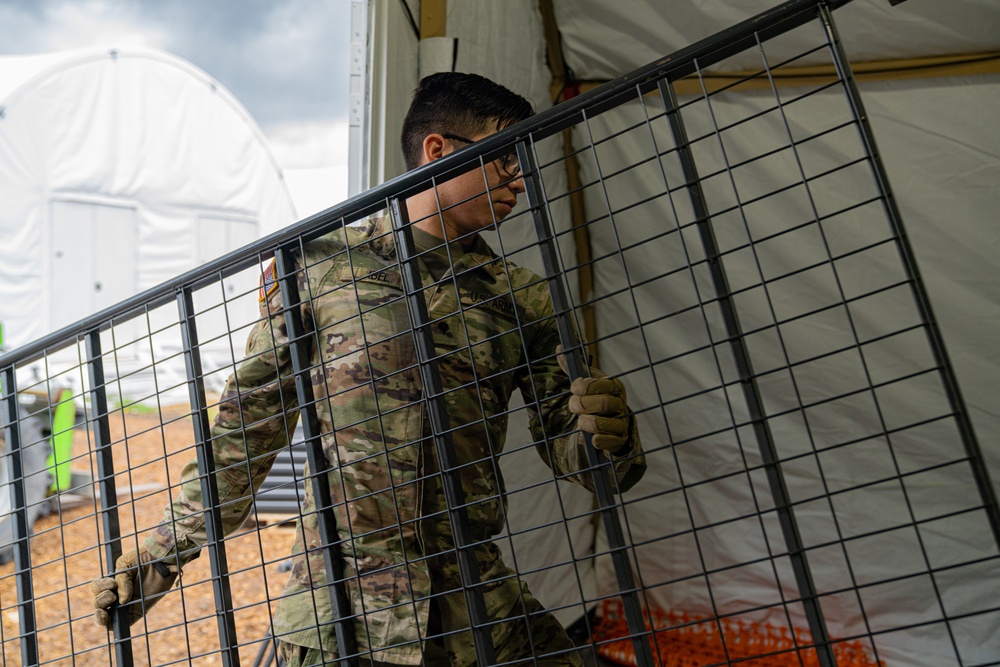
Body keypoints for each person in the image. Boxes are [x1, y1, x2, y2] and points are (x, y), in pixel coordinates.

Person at [91, 72, 646, 666]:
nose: (520, 181)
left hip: (477, 607)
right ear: (438, 150)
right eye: (503, 159)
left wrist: (605, 437)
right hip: (342, 611)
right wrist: (159, 557)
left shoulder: (522, 299)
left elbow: (572, 445)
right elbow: (245, 429)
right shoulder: (319, 269)